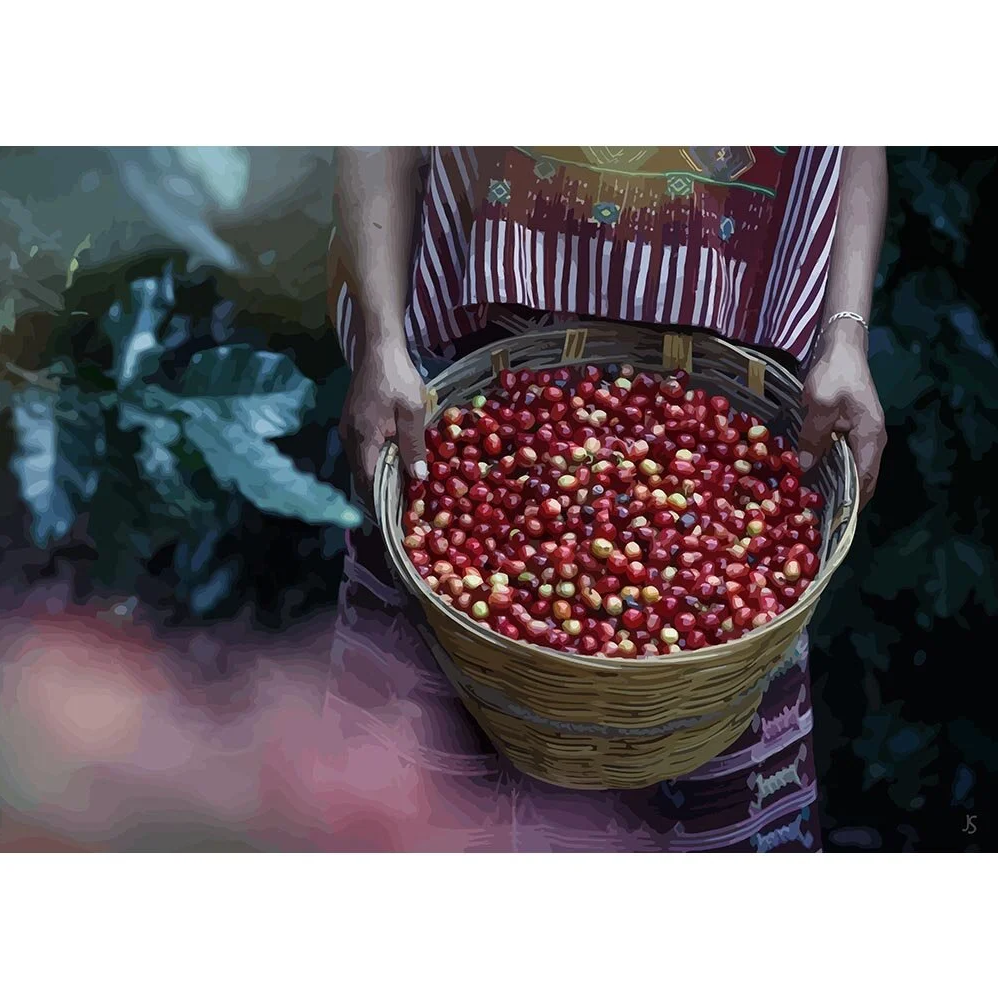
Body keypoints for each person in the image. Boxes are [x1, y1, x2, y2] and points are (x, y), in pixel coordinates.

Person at [325, 146, 887, 852]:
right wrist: (382, 338)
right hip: (460, 380)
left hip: (720, 381)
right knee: (413, 810)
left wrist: (846, 336)